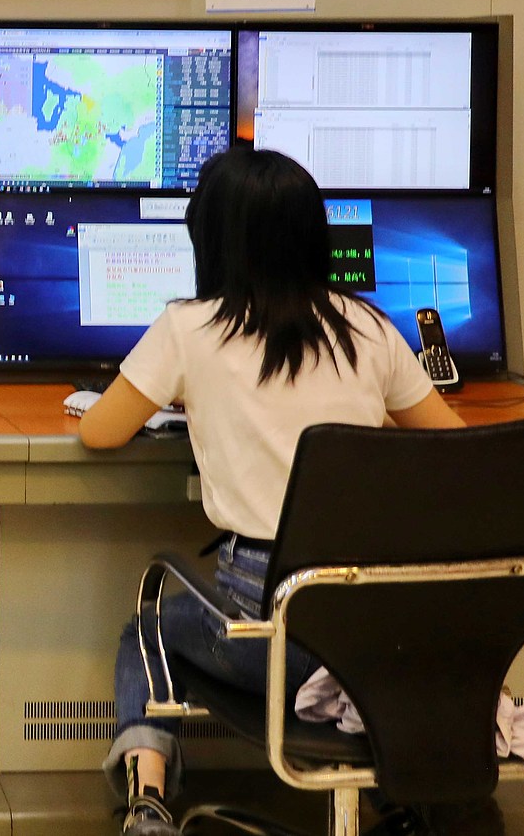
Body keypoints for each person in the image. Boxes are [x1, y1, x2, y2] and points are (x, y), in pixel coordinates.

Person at [77, 148, 461, 836]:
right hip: (375, 636)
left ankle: (148, 804)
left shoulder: (190, 327)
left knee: (147, 630)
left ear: (213, 240)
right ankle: (392, 802)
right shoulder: (369, 327)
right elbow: (454, 447)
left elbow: (101, 432)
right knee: (354, 645)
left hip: (264, 630)